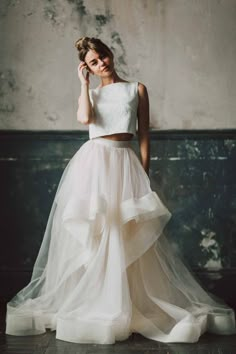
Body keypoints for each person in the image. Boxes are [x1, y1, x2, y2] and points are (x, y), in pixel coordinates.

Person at [5, 37, 236, 344]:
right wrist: (82, 83)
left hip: (124, 162)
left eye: (102, 56)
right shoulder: (92, 92)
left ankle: (126, 300)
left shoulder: (136, 89)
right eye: (93, 62)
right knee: (99, 230)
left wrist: (144, 172)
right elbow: (85, 119)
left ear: (110, 54)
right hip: (94, 164)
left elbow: (143, 134)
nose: (101, 63)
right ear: (87, 67)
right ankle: (97, 300)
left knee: (126, 230)